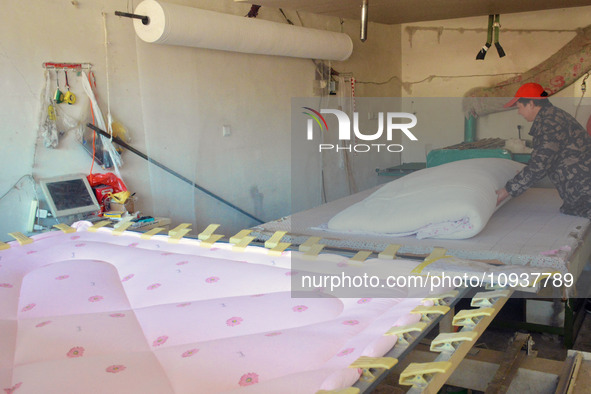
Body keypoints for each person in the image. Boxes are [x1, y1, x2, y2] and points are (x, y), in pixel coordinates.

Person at [495, 82, 591, 218]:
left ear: (531, 104)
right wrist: (524, 173)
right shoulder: (552, 116)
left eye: (519, 107)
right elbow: (544, 158)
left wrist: (507, 191)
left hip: (585, 192)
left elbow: (540, 165)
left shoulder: (550, 123)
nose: (519, 112)